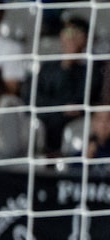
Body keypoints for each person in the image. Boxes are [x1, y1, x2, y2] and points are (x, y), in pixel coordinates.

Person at [34, 15, 103, 156]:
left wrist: (69, 67)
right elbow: (34, 97)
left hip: (74, 122)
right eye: (68, 33)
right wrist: (60, 107)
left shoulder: (92, 70)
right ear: (61, 36)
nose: (71, 38)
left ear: (86, 39)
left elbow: (79, 102)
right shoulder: (47, 67)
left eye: (77, 34)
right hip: (47, 118)